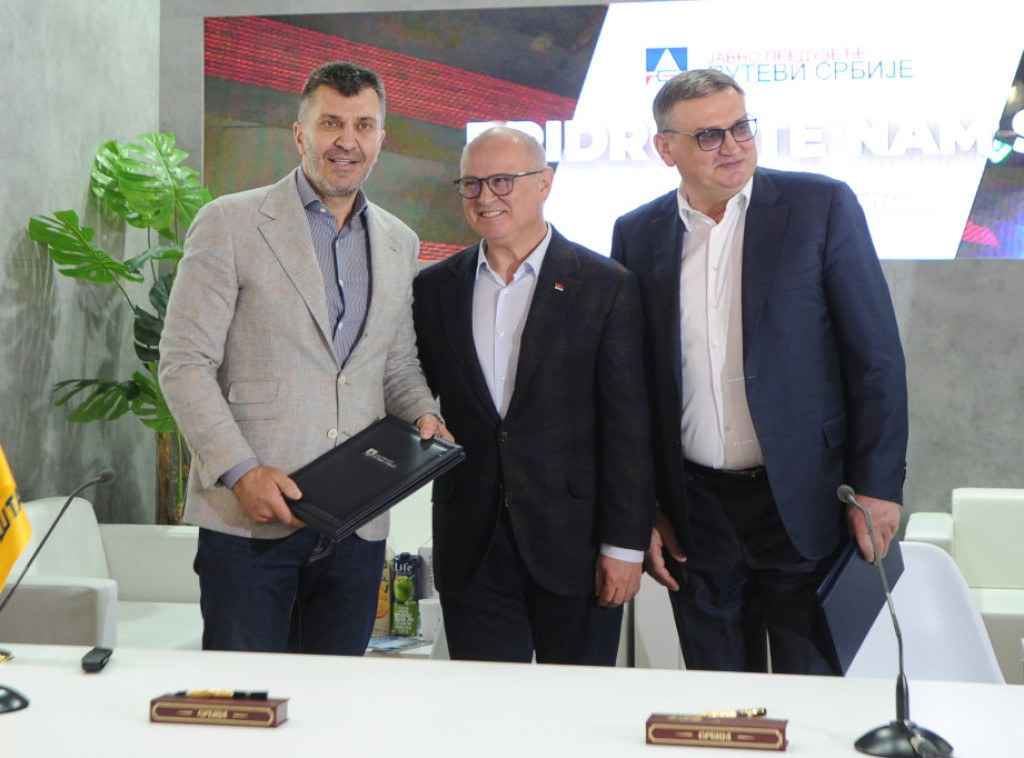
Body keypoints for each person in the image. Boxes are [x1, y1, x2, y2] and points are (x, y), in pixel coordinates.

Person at [610, 69, 908, 675]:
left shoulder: (820, 206)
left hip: (807, 500)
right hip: (696, 514)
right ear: (665, 149)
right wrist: (644, 508)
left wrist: (877, 488)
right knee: (719, 702)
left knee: (815, 696)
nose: (733, 145)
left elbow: (875, 359)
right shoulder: (637, 233)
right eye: (709, 136)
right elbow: (632, 390)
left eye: (741, 127)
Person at [159, 61, 448, 655]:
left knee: (334, 702)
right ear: (299, 133)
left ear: (381, 139)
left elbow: (395, 363)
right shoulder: (230, 223)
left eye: (363, 126)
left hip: (355, 525)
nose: (347, 141)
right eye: (330, 123)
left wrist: (423, 412)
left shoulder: (399, 241)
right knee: (245, 699)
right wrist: (241, 471)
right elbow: (184, 363)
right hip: (249, 520)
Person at [413, 127, 654, 665]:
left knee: (577, 708)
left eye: (502, 181)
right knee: (487, 709)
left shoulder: (606, 285)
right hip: (471, 546)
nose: (485, 197)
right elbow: (412, 389)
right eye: (472, 184)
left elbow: (629, 428)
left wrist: (624, 545)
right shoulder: (434, 288)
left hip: (578, 547)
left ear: (545, 182)